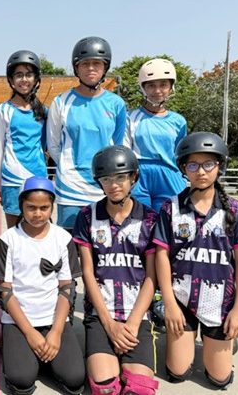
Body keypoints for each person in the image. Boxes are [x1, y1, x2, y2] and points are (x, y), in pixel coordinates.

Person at [153, 132, 238, 390]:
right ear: (183, 168)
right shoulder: (170, 208)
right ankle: (176, 329)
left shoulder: (235, 210)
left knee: (219, 379)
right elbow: (162, 256)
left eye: (208, 164)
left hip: (219, 302)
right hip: (182, 299)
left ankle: (223, 341)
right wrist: (170, 304)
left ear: (220, 166)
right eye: (193, 165)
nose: (201, 171)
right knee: (177, 372)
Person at [73, 146, 160, 395]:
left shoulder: (150, 218)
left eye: (120, 177)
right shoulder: (87, 216)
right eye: (106, 179)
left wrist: (132, 323)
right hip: (102, 314)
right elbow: (88, 273)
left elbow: (151, 277)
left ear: (133, 177)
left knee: (139, 390)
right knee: (105, 388)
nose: (113, 185)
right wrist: (109, 325)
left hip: (137, 314)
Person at [0, 176, 85, 395]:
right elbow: (4, 291)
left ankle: (41, 355)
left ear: (52, 207)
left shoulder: (63, 238)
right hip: (19, 321)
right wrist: (30, 333)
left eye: (44, 208)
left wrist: (56, 331)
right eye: (31, 207)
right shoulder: (9, 239)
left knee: (75, 379)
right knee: (21, 379)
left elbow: (67, 287)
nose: (38, 214)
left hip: (53, 319)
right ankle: (18, 348)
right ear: (21, 206)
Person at [46, 36, 127, 233]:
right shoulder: (61, 102)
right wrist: (68, 167)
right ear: (76, 68)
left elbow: (119, 146)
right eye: (85, 64)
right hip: (70, 186)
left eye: (96, 63)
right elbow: (53, 144)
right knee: (70, 242)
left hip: (105, 185)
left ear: (105, 67)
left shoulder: (116, 104)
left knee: (104, 242)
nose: (91, 68)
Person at [124, 58, 187, 211]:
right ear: (143, 88)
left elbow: (181, 155)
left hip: (169, 175)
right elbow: (124, 151)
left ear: (171, 87)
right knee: (138, 221)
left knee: (170, 221)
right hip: (139, 176)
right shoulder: (130, 117)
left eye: (163, 85)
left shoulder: (178, 121)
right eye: (151, 85)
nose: (157, 90)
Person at [0, 50, 48, 228]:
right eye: (18, 75)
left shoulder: (44, 111)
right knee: (14, 230)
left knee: (38, 227)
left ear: (36, 79)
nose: (24, 79)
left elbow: (44, 145)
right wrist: (1, 183)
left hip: (38, 176)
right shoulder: (3, 110)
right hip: (12, 179)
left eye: (28, 74)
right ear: (11, 80)